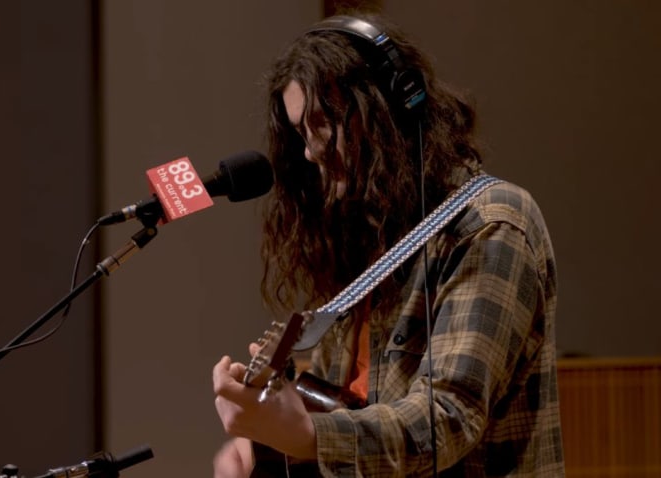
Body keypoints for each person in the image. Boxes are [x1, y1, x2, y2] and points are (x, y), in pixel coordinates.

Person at [211, 12, 564, 478]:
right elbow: (343, 404)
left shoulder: (490, 223)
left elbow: (447, 419)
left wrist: (306, 435)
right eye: (300, 132)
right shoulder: (371, 236)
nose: (310, 151)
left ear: (389, 108)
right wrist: (266, 440)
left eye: (323, 122)